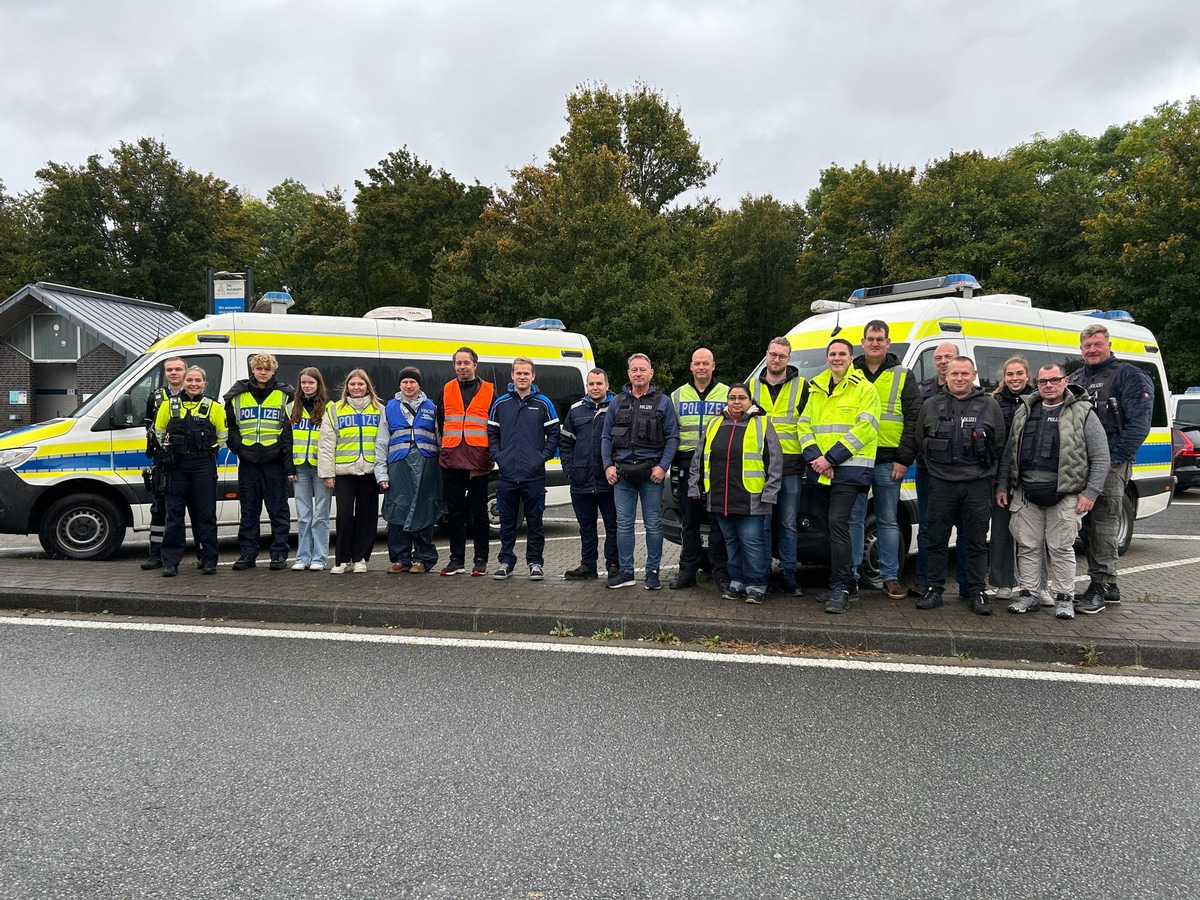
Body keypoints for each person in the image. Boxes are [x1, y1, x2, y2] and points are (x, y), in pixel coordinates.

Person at [996, 363, 1109, 619]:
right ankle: (1029, 595)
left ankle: (1064, 598)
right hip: (1025, 493)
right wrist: (1003, 485)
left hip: (1066, 494)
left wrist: (1090, 493)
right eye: (1043, 381)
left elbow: (1101, 457)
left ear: (1065, 381)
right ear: (1037, 383)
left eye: (1054, 380)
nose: (1048, 385)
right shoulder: (1024, 411)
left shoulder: (1083, 412)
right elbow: (1009, 453)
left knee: (1061, 548)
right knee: (1027, 547)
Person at [1069, 322, 1155, 613]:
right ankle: (1110, 585)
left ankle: (1100, 586)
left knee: (1104, 525)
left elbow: (1139, 424)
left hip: (1111, 467)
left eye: (1097, 344)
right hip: (1080, 466)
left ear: (1108, 344)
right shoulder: (1076, 377)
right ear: (1081, 349)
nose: (1092, 349)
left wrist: (1115, 460)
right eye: (1087, 345)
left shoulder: (1129, 375)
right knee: (1089, 528)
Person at [915, 356, 1006, 615]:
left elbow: (999, 444)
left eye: (965, 374)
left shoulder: (990, 405)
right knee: (936, 539)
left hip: (977, 484)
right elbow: (920, 439)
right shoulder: (931, 405)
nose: (959, 378)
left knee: (976, 541)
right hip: (941, 483)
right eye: (955, 374)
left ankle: (976, 591)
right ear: (947, 375)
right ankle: (934, 590)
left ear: (974, 374)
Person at [796, 339, 881, 614]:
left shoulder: (865, 389)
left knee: (839, 524)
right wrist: (816, 459)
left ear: (851, 357)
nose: (836, 358)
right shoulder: (817, 387)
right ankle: (839, 582)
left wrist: (830, 458)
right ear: (827, 357)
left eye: (842, 353)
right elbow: (804, 424)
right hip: (822, 469)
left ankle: (843, 586)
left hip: (851, 470)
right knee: (828, 528)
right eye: (832, 353)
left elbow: (866, 428)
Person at [689, 384, 782, 603]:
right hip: (720, 497)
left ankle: (757, 584)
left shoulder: (763, 424)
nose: (737, 402)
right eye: (732, 398)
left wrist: (770, 493)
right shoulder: (714, 423)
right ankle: (737, 582)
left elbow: (775, 462)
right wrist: (694, 486)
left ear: (751, 401)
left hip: (752, 498)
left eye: (742, 398)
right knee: (731, 542)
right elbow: (699, 458)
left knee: (752, 542)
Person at [848, 321, 919, 602]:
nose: (875, 343)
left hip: (889, 459)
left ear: (888, 343)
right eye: (870, 339)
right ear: (862, 342)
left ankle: (890, 577)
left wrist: (903, 459)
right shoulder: (849, 372)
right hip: (853, 457)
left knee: (888, 520)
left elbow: (914, 419)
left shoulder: (903, 375)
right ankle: (850, 576)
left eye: (880, 339)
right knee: (853, 520)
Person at [601, 353, 679, 591]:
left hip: (650, 476)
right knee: (623, 525)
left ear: (651, 373)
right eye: (634, 370)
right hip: (622, 475)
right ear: (628, 374)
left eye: (642, 369)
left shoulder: (663, 402)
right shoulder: (616, 402)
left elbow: (672, 438)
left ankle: (653, 572)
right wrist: (607, 466)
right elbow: (606, 437)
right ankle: (626, 572)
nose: (638, 373)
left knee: (653, 525)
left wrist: (662, 467)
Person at [487, 357, 560, 580]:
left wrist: (542, 457)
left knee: (535, 522)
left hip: (534, 475)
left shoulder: (543, 403)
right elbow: (492, 434)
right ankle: (506, 562)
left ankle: (535, 563)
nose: (522, 377)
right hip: (508, 474)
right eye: (518, 373)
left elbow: (554, 434)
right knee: (507, 522)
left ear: (533, 376)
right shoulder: (501, 404)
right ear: (512, 375)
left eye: (526, 373)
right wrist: (498, 456)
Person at [746, 337, 809, 597]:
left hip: (792, 465)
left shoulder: (803, 386)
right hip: (759, 465)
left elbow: (810, 422)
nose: (777, 360)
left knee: (787, 523)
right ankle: (762, 574)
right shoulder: (751, 386)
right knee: (761, 523)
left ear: (789, 358)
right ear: (766, 355)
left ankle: (788, 574)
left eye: (782, 356)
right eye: (773, 355)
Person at [153, 365, 227, 577]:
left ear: (205, 384)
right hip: (176, 467)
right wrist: (166, 450)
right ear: (183, 382)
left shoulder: (213, 406)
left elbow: (222, 436)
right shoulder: (168, 405)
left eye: (198, 380)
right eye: (190, 380)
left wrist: (209, 451)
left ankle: (209, 559)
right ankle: (171, 563)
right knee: (174, 515)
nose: (193, 384)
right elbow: (159, 432)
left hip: (203, 466)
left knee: (205, 515)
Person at [223, 353, 294, 571]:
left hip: (274, 461)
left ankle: (279, 553)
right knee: (249, 510)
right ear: (252, 370)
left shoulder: (285, 395)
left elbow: (289, 428)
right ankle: (247, 553)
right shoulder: (237, 395)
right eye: (259, 368)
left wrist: (279, 451)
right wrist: (239, 448)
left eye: (267, 369)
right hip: (248, 461)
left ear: (274, 371)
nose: (263, 372)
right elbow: (230, 427)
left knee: (278, 509)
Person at [911, 341, 968, 598]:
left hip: (966, 475)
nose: (943, 362)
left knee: (966, 530)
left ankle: (967, 584)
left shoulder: (974, 395)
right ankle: (926, 581)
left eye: (948, 357)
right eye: (938, 358)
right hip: (928, 472)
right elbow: (916, 430)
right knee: (928, 528)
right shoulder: (923, 392)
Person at [669, 348, 729, 590]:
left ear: (713, 366)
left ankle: (721, 573)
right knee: (689, 522)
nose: (701, 367)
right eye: (697, 363)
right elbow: (671, 433)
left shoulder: (727, 393)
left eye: (706, 363)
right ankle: (687, 572)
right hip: (687, 465)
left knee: (718, 523)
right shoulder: (677, 395)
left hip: (718, 465)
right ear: (691, 367)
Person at [375, 366, 444, 575]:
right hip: (398, 467)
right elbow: (381, 443)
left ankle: (423, 559)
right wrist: (381, 473)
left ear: (419, 384)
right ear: (399, 385)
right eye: (404, 381)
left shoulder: (432, 407)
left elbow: (441, 439)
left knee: (424, 512)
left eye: (412, 381)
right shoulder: (389, 409)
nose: (408, 385)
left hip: (427, 467)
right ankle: (400, 559)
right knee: (398, 510)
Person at [438, 347, 495, 577]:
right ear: (454, 366)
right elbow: (440, 421)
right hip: (452, 459)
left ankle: (480, 559)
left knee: (479, 513)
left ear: (475, 365)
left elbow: (494, 425)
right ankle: (456, 560)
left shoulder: (490, 390)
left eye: (466, 363)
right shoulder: (446, 388)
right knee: (455, 513)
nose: (462, 367)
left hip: (479, 460)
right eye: (458, 363)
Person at [319, 369, 382, 574]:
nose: (356, 388)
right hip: (344, 472)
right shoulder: (335, 410)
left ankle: (360, 558)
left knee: (367, 517)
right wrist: (328, 473)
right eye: (352, 384)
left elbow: (383, 443)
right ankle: (342, 560)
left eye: (360, 384)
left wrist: (384, 472)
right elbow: (327, 444)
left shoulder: (379, 409)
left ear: (367, 387)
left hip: (370, 472)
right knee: (344, 515)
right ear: (347, 387)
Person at [560, 368, 619, 580]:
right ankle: (588, 565)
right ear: (587, 386)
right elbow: (565, 442)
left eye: (599, 384)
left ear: (607, 385)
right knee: (586, 527)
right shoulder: (575, 410)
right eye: (591, 384)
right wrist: (569, 469)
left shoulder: (617, 407)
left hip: (609, 481)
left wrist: (616, 468)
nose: (595, 388)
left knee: (613, 526)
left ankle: (613, 564)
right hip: (581, 480)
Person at [988, 356, 1035, 601]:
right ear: (1003, 377)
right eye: (1010, 374)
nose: (1014, 378)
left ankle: (1038, 585)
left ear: (1028, 375)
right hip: (1000, 478)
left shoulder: (1038, 401)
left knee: (1035, 535)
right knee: (1001, 533)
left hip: (1030, 476)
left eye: (1019, 373)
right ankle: (1003, 582)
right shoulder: (994, 402)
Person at [140, 356, 188, 570]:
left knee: (195, 510)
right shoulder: (156, 397)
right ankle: (156, 555)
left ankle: (203, 553)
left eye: (178, 369)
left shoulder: (195, 395)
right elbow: (149, 428)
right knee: (159, 510)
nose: (174, 373)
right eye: (169, 369)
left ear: (185, 371)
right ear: (165, 373)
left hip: (188, 460)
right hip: (163, 463)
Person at [289, 367, 331, 571]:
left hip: (321, 467)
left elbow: (333, 441)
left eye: (310, 383)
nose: (306, 386)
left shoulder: (329, 408)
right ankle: (302, 557)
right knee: (304, 515)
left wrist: (330, 470)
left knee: (321, 515)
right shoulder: (291, 407)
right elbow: (286, 440)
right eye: (303, 382)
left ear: (318, 384)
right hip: (299, 467)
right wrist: (289, 467)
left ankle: (320, 558)